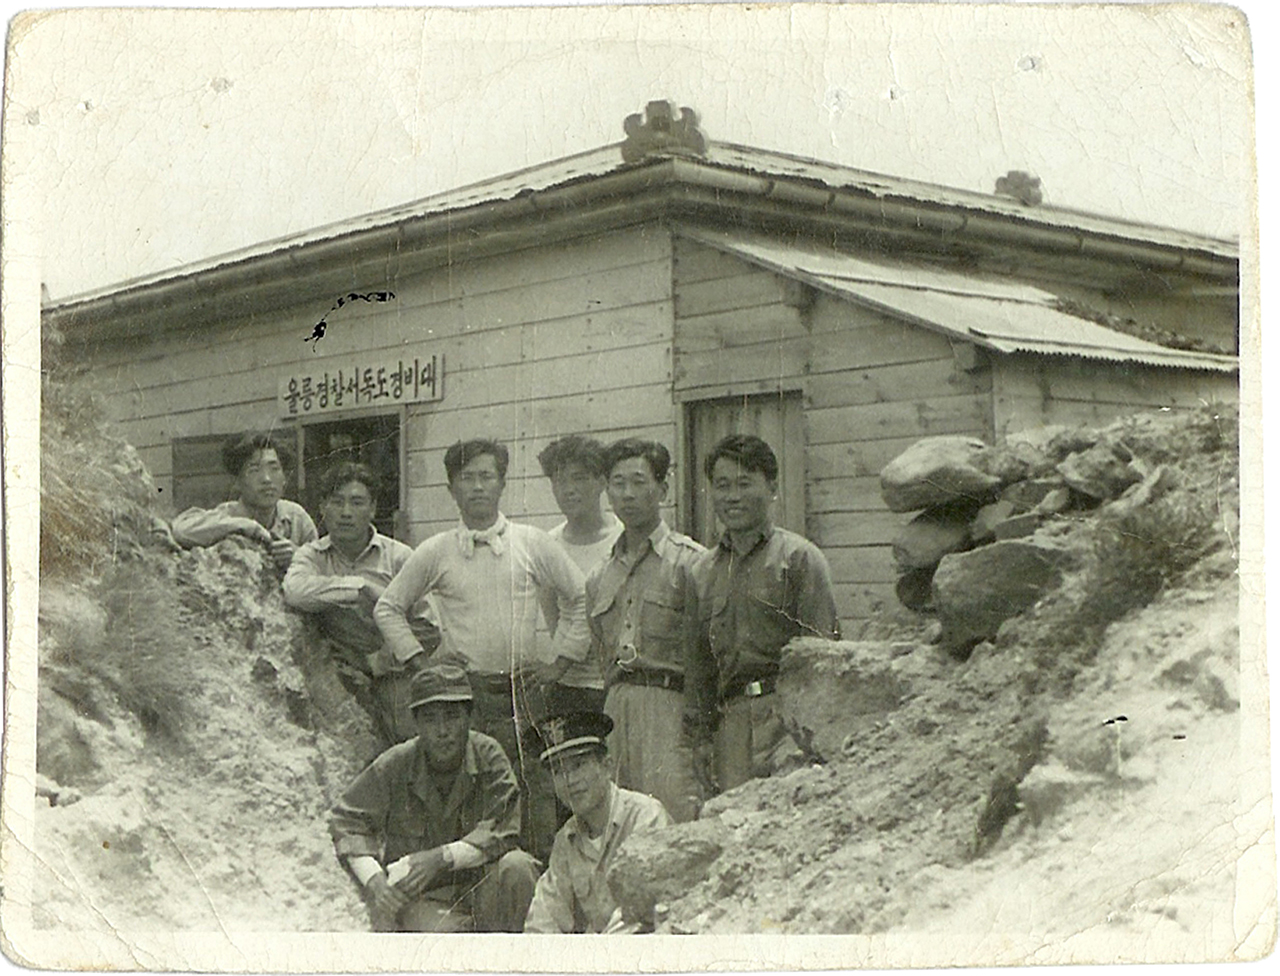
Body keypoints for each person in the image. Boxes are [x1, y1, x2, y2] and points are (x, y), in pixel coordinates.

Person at [374, 438, 590, 861]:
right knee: (472, 792)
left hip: (524, 694)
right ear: (452, 488)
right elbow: (389, 607)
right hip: (465, 696)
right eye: (467, 478)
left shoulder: (532, 543)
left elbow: (580, 596)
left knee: (534, 793)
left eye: (486, 477)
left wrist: (560, 662)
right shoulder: (436, 551)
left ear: (502, 484)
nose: (477, 487)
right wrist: (422, 665)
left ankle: (537, 882)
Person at [328, 660, 540, 932]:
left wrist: (440, 858)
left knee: (518, 868)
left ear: (469, 718)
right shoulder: (396, 764)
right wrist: (375, 882)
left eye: (452, 717)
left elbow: (504, 828)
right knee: (447, 943)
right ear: (415, 723)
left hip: (484, 885)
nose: (442, 731)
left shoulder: (488, 755)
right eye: (430, 719)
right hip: (425, 899)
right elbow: (346, 821)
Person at [684, 434, 841, 793]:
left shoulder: (800, 559)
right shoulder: (701, 573)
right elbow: (699, 670)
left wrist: (811, 730)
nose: (732, 496)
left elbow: (824, 657)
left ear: (771, 488)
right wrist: (702, 739)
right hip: (731, 724)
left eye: (744, 483)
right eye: (722, 485)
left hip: (788, 719)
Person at [586, 438, 704, 822]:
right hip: (616, 709)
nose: (628, 494)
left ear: (663, 490)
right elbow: (601, 650)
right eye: (618, 483)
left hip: (670, 710)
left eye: (639, 482)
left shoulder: (692, 564)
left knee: (674, 817)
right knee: (617, 820)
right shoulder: (600, 575)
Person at [282, 462, 439, 748]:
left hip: (396, 676)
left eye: (356, 503)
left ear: (373, 509)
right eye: (336, 502)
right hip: (339, 677)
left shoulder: (400, 558)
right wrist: (358, 587)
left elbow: (430, 627)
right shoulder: (313, 556)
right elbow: (295, 591)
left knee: (407, 746)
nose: (345, 513)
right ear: (322, 507)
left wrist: (383, 659)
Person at [523, 711, 672, 934]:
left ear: (607, 766)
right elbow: (545, 917)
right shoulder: (566, 840)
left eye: (579, 765)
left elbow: (645, 912)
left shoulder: (645, 817)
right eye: (559, 771)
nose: (570, 781)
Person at [537, 435, 622, 715]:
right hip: (567, 685)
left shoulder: (623, 539)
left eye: (580, 478)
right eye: (559, 481)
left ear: (601, 482)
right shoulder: (548, 544)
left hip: (615, 683)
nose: (569, 490)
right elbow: (554, 616)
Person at [171, 430, 317, 570]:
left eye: (274, 469)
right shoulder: (226, 515)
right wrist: (246, 526)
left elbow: (325, 570)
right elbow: (179, 530)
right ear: (237, 482)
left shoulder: (296, 518)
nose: (267, 479)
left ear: (284, 478)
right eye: (254, 470)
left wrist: (300, 559)